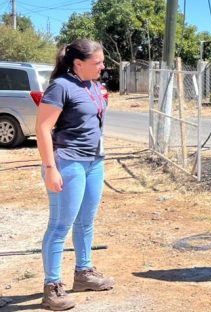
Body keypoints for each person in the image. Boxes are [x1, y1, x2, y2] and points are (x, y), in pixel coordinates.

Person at [36, 39, 114, 311]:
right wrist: (50, 168)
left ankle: (84, 273)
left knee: (85, 222)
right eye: (98, 62)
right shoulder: (61, 86)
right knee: (60, 226)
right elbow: (43, 128)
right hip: (68, 162)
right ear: (78, 63)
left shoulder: (92, 84)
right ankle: (52, 287)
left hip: (94, 162)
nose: (103, 67)